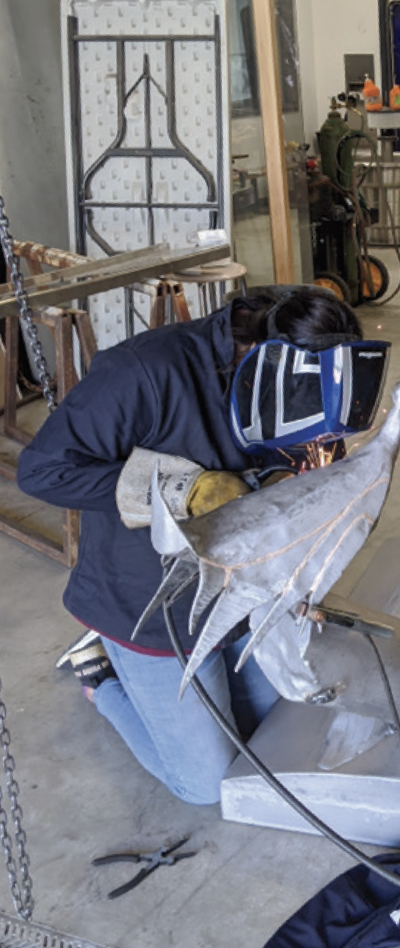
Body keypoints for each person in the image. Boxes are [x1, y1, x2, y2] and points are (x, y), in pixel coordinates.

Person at [18, 287, 368, 804]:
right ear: (255, 364)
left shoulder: (304, 376)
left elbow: (312, 454)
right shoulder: (143, 373)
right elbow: (43, 472)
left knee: (276, 726)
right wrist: (183, 489)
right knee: (207, 785)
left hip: (239, 592)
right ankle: (100, 676)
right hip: (150, 603)